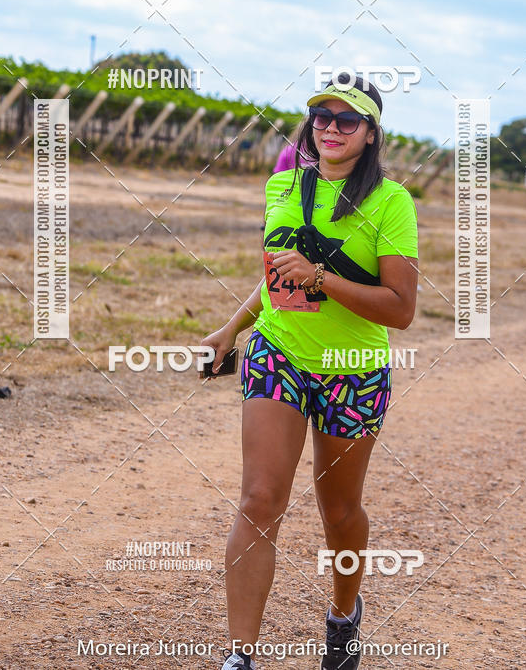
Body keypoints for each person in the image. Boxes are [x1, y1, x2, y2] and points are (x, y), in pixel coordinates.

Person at [201, 74, 419, 670]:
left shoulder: (391, 203)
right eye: (321, 116)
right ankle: (239, 658)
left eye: (346, 119)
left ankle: (344, 618)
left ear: (371, 134)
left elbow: (401, 310)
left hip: (353, 370)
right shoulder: (280, 187)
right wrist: (232, 328)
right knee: (260, 497)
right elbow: (279, 277)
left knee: (339, 511)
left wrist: (323, 278)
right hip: (280, 354)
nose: (330, 127)